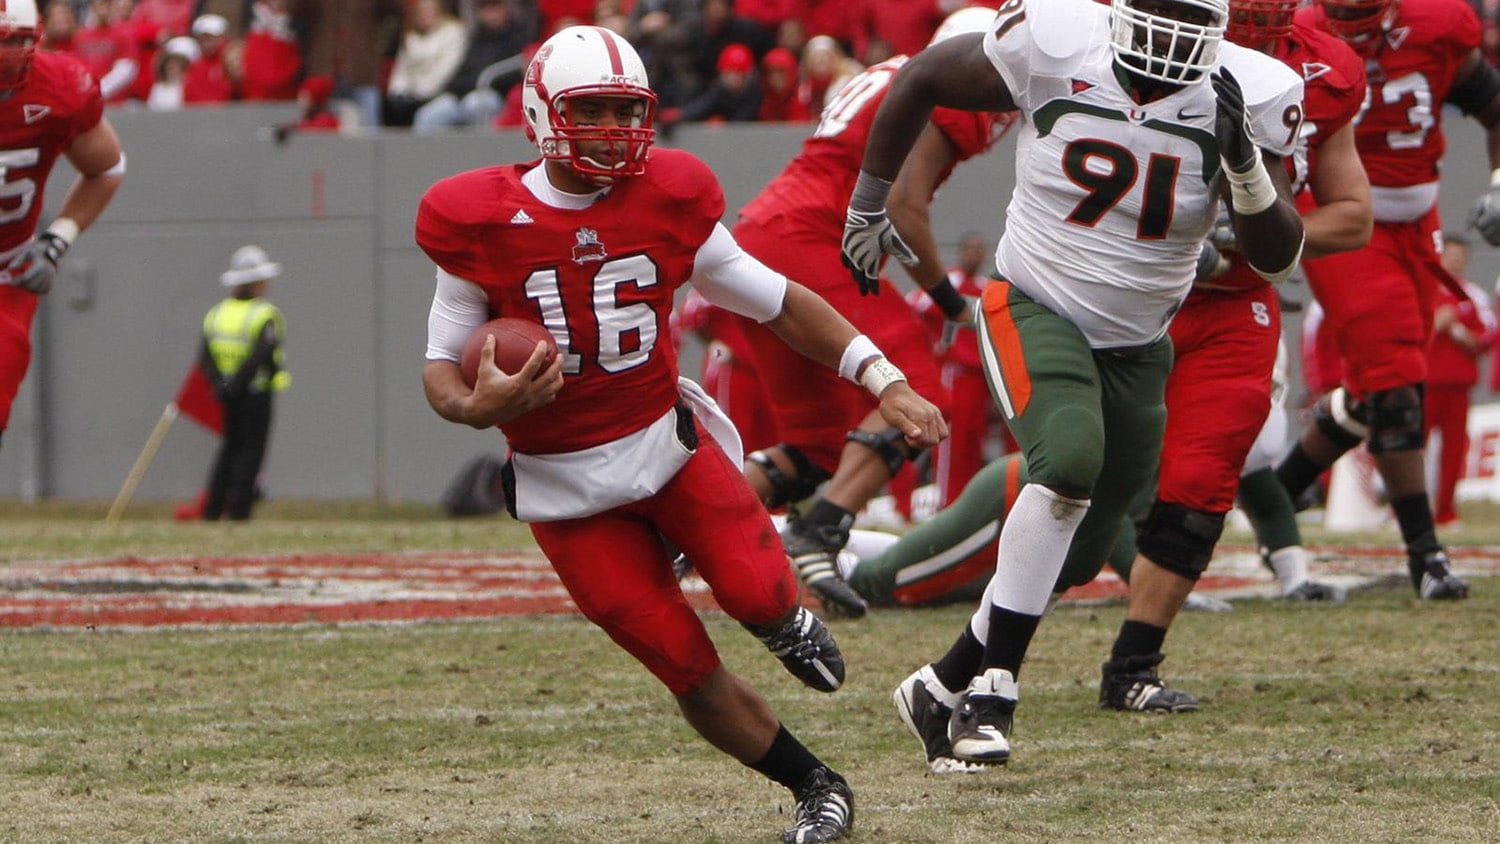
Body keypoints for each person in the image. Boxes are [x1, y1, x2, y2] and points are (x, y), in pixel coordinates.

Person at [414, 26, 946, 844]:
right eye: (589, 110)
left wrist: (884, 378)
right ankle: (817, 786)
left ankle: (779, 618)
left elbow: (777, 299)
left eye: (626, 111)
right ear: (538, 114)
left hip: (666, 449)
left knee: (761, 592)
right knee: (686, 669)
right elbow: (442, 368)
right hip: (564, 490)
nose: (612, 130)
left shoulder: (669, 192)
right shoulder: (477, 217)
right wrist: (476, 409)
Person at [845, 0, 1305, 766]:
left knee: (1082, 554)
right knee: (1067, 463)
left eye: (1185, 13)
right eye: (1157, 9)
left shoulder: (1248, 92)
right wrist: (868, 199)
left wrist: (1248, 171)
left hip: (1138, 343)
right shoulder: (1059, 44)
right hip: (1034, 302)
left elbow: (1278, 258)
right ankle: (992, 693)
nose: (1168, 28)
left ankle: (941, 682)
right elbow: (923, 75)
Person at [727, 7, 1013, 619]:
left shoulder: (893, 72)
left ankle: (684, 530)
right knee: (917, 393)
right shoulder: (948, 85)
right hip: (811, 240)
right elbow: (906, 207)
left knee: (820, 445)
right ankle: (819, 532)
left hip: (767, 231)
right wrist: (948, 301)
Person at [1278, 0, 1500, 601]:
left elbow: (1492, 103)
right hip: (1343, 221)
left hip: (1416, 221)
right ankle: (1426, 556)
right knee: (1398, 379)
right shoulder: (1296, 36)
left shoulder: (1439, 23)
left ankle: (1283, 488)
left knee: (1378, 383)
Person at [0, 0, 126, 457]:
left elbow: (108, 168)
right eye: (3, 41)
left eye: (20, 40)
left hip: (6, 274)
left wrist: (56, 242)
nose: (12, 54)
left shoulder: (60, 88)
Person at [198, 245, 289, 522]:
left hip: (226, 393)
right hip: (256, 392)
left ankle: (212, 509)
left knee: (229, 448)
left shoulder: (216, 314)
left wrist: (222, 385)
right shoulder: (264, 314)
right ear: (258, 282)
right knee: (251, 452)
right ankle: (240, 511)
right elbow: (262, 354)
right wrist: (240, 383)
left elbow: (205, 356)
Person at [1424, 233, 1495, 525]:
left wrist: (1464, 336)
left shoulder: (1472, 295)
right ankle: (1405, 508)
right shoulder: (1425, 289)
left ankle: (1446, 511)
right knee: (1414, 447)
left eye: (1461, 256)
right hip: (1425, 383)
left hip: (1458, 385)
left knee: (1454, 451)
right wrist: (1435, 325)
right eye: (1452, 255)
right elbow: (1405, 332)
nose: (1456, 261)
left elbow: (1488, 335)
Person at [411, 0, 531, 134]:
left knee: (475, 105)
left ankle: (481, 154)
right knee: (428, 114)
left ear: (505, 8)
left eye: (495, 6)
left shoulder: (519, 37)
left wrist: (478, 82)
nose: (491, 13)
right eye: (485, 8)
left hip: (496, 95)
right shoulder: (477, 39)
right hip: (465, 93)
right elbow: (461, 72)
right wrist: (466, 86)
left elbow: (509, 77)